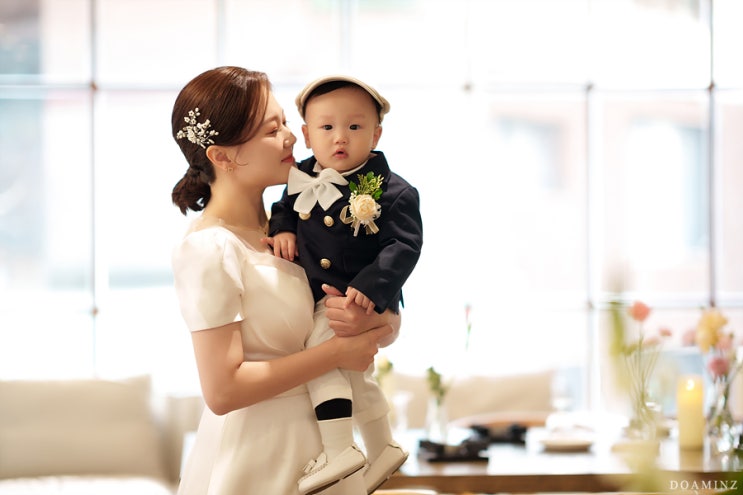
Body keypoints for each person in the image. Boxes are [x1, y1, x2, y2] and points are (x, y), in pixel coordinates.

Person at [169, 66, 400, 495]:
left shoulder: (299, 223)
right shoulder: (208, 248)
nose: (292, 137)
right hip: (259, 454)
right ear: (222, 156)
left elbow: (364, 309)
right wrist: (337, 351)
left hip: (329, 450)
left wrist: (380, 322)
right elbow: (222, 390)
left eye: (286, 123)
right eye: (272, 130)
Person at [267, 75, 423, 495]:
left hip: (358, 298)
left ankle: (339, 448)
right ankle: (382, 445)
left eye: (354, 127)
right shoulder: (301, 174)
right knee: (357, 376)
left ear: (376, 135)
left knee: (319, 360)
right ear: (307, 135)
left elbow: (404, 246)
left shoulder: (392, 190)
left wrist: (372, 287)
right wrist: (282, 228)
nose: (340, 137)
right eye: (327, 127)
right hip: (320, 296)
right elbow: (283, 208)